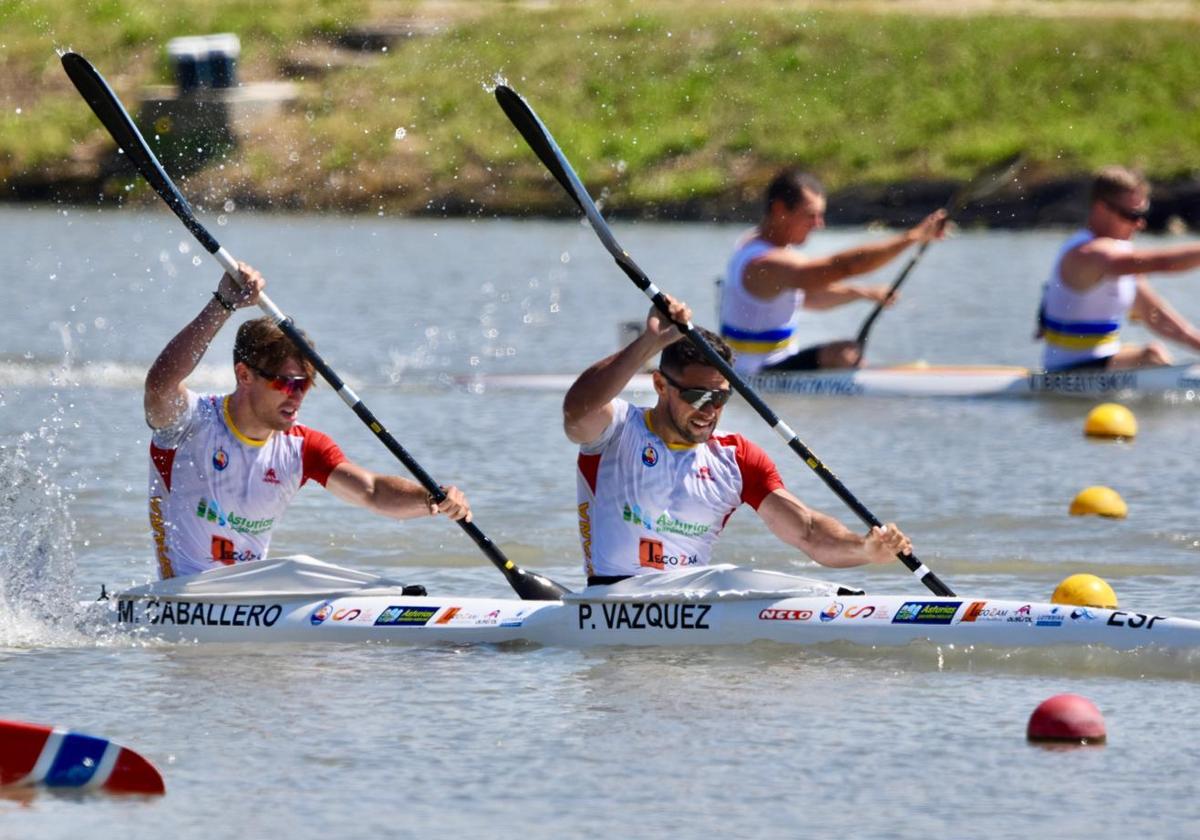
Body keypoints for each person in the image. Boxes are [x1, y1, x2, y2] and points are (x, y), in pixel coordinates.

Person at [144, 262, 471, 579]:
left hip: (249, 601)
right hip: (178, 599)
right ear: (244, 375)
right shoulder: (190, 424)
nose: (297, 395)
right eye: (287, 383)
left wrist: (431, 499)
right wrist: (223, 303)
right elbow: (160, 385)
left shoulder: (303, 448)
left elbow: (372, 491)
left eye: (306, 383)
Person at [563, 295, 912, 585]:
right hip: (612, 599)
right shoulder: (618, 429)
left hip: (691, 605)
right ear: (660, 385)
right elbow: (577, 412)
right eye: (698, 397)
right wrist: (649, 342)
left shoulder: (736, 458)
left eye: (720, 398)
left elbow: (807, 532)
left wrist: (864, 549)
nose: (709, 410)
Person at [719, 168, 947, 375]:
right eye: (810, 215)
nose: (819, 224)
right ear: (779, 209)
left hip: (774, 364)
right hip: (754, 374)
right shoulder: (765, 263)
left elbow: (810, 296)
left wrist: (861, 293)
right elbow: (843, 267)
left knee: (847, 353)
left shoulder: (752, 244)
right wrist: (911, 237)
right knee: (844, 354)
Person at [1037, 165, 1200, 372]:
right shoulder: (1088, 253)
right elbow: (1163, 263)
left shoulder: (1119, 256)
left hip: (1106, 364)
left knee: (1149, 353)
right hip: (1066, 370)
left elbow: (1154, 316)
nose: (1139, 224)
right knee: (1152, 354)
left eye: (1143, 213)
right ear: (1100, 208)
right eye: (1131, 215)